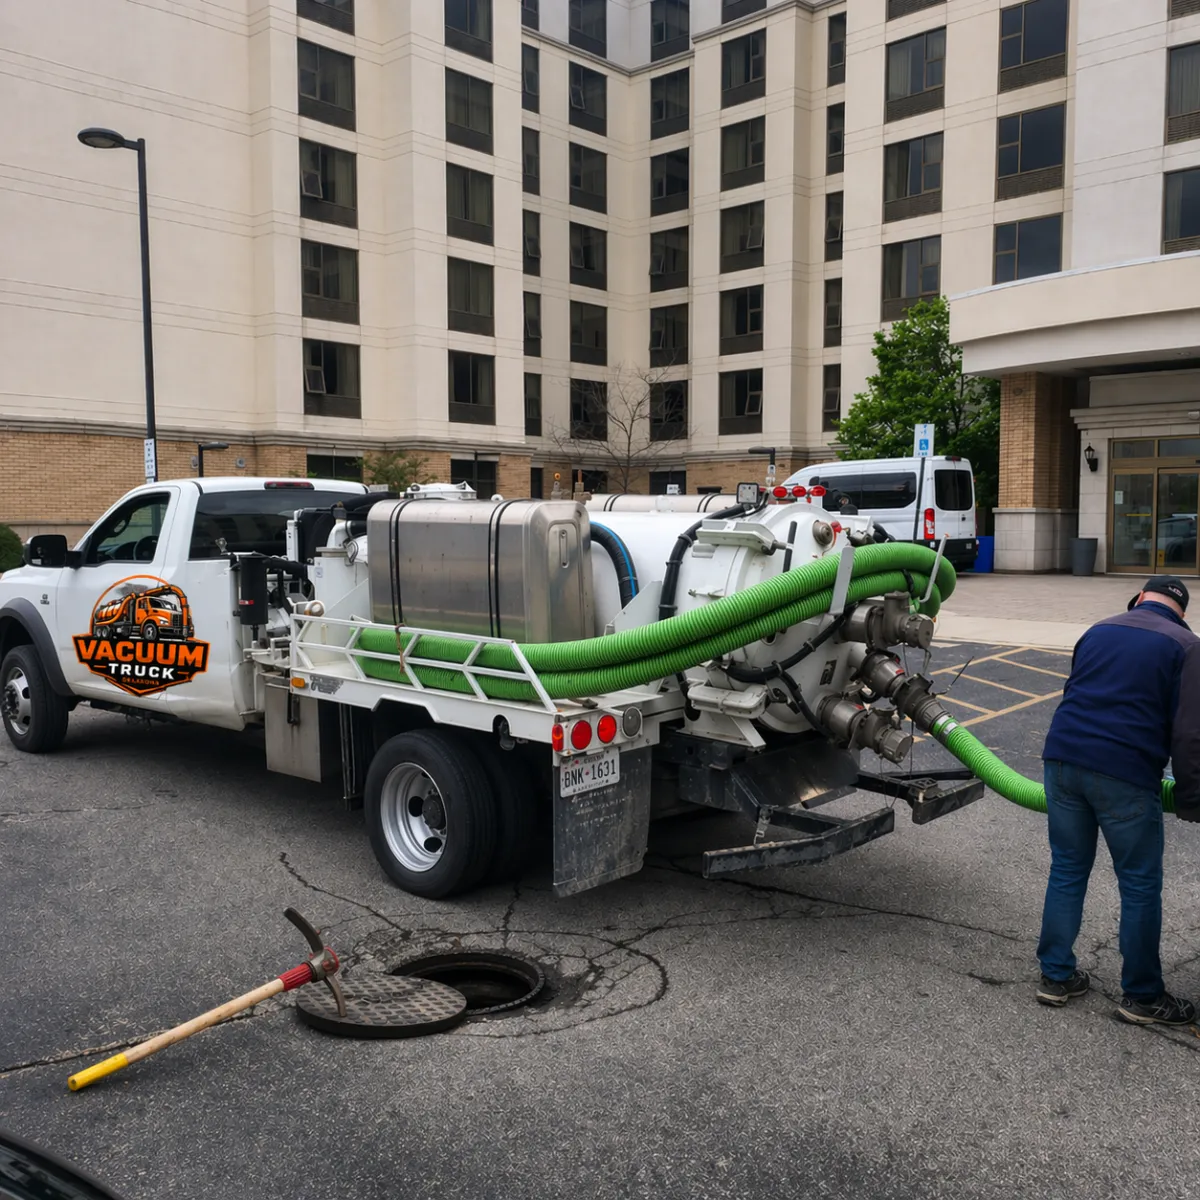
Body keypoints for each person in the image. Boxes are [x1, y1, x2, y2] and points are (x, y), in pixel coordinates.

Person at [1036, 575, 1200, 1024]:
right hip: (1125, 772)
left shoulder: (1098, 629)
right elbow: (1190, 734)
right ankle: (1143, 996)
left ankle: (1055, 977)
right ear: (1181, 613)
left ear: (1139, 599)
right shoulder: (1186, 646)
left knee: (1067, 869)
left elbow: (1074, 692)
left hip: (1061, 759)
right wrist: (1191, 797)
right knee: (1139, 884)